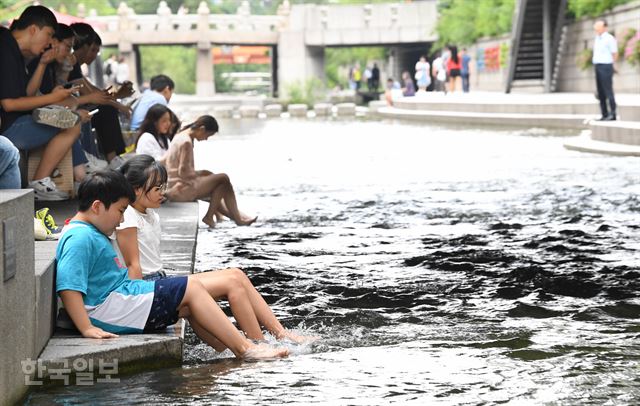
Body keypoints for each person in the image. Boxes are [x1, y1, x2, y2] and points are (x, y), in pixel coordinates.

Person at [55, 169, 289, 359]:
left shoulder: (87, 232)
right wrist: (86, 327)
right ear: (97, 206)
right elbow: (69, 286)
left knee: (187, 303)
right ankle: (246, 349)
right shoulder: (80, 237)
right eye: (120, 210)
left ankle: (231, 350)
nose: (121, 218)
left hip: (119, 300)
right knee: (191, 288)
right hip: (109, 308)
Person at [115, 155, 314, 343]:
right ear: (137, 189)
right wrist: (137, 307)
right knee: (231, 283)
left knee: (237, 275)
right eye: (157, 188)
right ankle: (259, 344)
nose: (163, 193)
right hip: (147, 288)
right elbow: (133, 266)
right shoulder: (129, 216)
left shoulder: (149, 213)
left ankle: (278, 334)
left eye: (163, 187)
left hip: (160, 279)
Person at [0, 6, 86, 200]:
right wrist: (53, 98)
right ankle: (39, 181)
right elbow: (9, 104)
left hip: (16, 120)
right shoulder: (5, 48)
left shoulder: (15, 51)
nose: (49, 42)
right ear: (33, 30)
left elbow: (26, 94)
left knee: (72, 118)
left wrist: (42, 63)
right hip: (8, 126)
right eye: (48, 34)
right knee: (73, 122)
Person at [164, 115, 257, 228]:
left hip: (174, 186)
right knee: (223, 178)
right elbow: (183, 172)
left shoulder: (179, 135)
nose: (206, 139)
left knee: (221, 186)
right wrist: (201, 173)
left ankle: (237, 219)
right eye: (207, 135)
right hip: (181, 189)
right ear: (202, 129)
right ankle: (218, 217)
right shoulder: (186, 142)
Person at [69, 23, 132, 163]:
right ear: (83, 46)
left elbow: (94, 92)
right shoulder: (71, 63)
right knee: (106, 109)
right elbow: (92, 95)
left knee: (106, 108)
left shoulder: (75, 66)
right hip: (72, 108)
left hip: (75, 105)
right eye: (92, 50)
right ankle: (112, 158)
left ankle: (113, 158)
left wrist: (118, 96)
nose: (93, 55)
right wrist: (119, 105)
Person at [592, 20, 618, 121]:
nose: (596, 28)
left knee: (608, 91)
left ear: (604, 27)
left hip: (606, 66)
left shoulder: (609, 38)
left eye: (598, 26)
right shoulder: (597, 38)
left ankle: (613, 114)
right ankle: (604, 113)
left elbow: (615, 53)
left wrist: (612, 65)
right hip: (597, 66)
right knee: (600, 91)